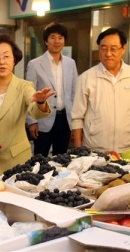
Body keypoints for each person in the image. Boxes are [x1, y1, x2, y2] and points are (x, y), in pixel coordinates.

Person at [0, 33, 55, 177]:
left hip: (16, 162)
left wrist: (40, 101)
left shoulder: (25, 86)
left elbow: (35, 112)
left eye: (6, 56)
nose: (1, 62)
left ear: (14, 60)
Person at [71, 28, 130, 153]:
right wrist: (78, 151)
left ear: (123, 49)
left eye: (113, 49)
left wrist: (127, 125)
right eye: (103, 49)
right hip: (93, 150)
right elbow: (76, 117)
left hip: (126, 150)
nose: (108, 54)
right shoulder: (86, 78)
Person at [26, 22, 78, 157]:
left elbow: (74, 93)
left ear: (64, 41)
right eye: (53, 37)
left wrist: (74, 120)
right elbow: (29, 94)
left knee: (62, 159)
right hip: (43, 119)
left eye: (60, 38)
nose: (57, 41)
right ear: (46, 41)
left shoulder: (70, 63)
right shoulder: (35, 64)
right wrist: (32, 121)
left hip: (65, 119)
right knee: (39, 159)